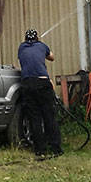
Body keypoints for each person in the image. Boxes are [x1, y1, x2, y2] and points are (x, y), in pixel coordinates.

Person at [17, 28, 61, 158]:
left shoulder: (21, 48)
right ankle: (55, 148)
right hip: (42, 83)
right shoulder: (42, 46)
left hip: (27, 85)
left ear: (25, 39)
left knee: (34, 118)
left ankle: (40, 150)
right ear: (37, 38)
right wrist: (44, 49)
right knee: (49, 116)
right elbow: (52, 57)